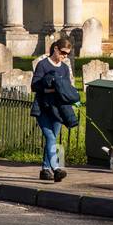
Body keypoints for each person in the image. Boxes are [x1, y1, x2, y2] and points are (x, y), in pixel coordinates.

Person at [31, 38, 79, 182]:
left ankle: (45, 170)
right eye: (63, 53)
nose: (64, 56)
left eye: (67, 54)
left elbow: (67, 87)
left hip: (58, 109)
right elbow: (35, 86)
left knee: (52, 139)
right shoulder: (43, 65)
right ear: (56, 49)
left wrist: (71, 97)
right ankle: (56, 168)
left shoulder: (64, 68)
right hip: (43, 108)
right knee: (50, 137)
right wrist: (52, 88)